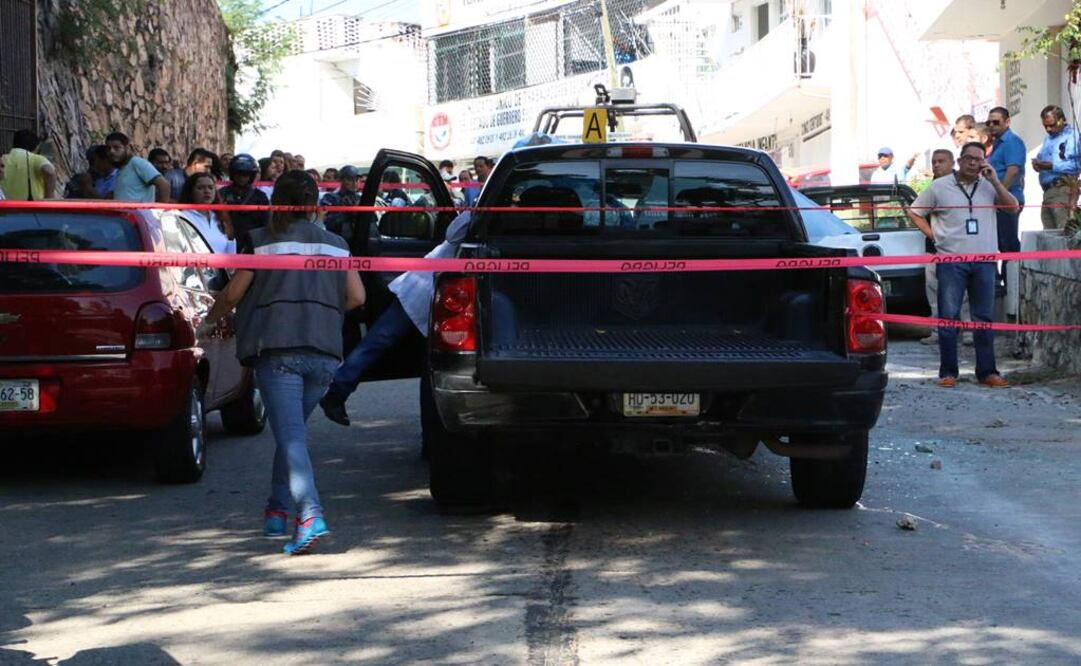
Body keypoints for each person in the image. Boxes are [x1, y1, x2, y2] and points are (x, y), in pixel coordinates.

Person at [198, 170, 366, 555]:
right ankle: (276, 511)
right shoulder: (337, 245)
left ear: (279, 202)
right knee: (293, 437)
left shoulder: (262, 242)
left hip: (279, 351)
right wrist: (321, 312)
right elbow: (357, 297)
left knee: (290, 438)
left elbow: (233, 293)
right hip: (324, 354)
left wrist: (209, 322)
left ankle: (310, 514)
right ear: (314, 205)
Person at [320, 210, 472, 426]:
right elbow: (453, 234)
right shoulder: (480, 211)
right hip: (425, 286)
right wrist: (476, 213)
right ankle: (337, 392)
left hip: (448, 295)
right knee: (381, 340)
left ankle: (430, 439)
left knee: (428, 368)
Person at [906, 142, 1018, 389]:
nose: (972, 163)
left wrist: (996, 182)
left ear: (983, 163)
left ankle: (987, 372)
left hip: (984, 262)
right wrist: (933, 236)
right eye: (968, 158)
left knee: (983, 319)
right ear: (959, 160)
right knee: (948, 318)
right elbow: (914, 212)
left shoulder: (989, 186)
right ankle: (948, 373)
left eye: (978, 159)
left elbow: (1013, 208)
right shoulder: (939, 187)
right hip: (951, 262)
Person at [918, 149, 971, 347]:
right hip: (934, 250)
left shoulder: (963, 185)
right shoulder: (933, 187)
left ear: (952, 163)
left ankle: (968, 330)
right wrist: (933, 236)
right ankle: (937, 331)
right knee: (934, 291)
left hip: (959, 248)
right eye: (934, 162)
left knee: (963, 292)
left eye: (941, 161)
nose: (936, 165)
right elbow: (916, 213)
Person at [986, 106, 1026, 260]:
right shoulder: (998, 143)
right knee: (1002, 244)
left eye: (995, 122)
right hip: (1000, 199)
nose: (991, 126)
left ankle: (1014, 283)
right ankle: (1009, 281)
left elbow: (1013, 171)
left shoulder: (1012, 141)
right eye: (988, 123)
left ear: (1007, 122)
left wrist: (1000, 194)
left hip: (1008, 199)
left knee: (1008, 245)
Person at [1031, 104, 1080, 231]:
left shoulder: (1072, 137)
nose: (1048, 129)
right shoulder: (1048, 139)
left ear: (1062, 120)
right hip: (1047, 192)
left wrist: (1052, 166)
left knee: (1063, 232)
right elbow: (1041, 158)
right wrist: (1037, 164)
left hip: (1063, 188)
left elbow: (1076, 165)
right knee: (1049, 236)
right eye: (1045, 126)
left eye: (1052, 125)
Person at [219, 154, 270, 249]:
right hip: (227, 242)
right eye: (238, 173)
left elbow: (266, 224)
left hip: (253, 244)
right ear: (232, 174)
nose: (241, 178)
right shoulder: (222, 193)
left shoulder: (260, 196)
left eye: (245, 174)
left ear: (251, 176)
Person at [178, 172, 235, 254]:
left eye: (211, 188)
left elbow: (229, 245)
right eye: (200, 188)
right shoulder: (182, 217)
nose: (207, 191)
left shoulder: (220, 217)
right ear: (190, 192)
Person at [105, 132, 170, 203]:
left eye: (116, 147)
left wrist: (160, 210)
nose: (111, 151)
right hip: (124, 213)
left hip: (139, 213)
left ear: (127, 148)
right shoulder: (120, 168)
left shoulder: (137, 163)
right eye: (108, 148)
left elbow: (164, 185)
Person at [1, 129, 57, 200]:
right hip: (30, 208)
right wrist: (49, 197)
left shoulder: (2, 159)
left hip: (5, 208)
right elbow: (50, 172)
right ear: (36, 147)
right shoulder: (35, 158)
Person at [320, 165, 363, 243]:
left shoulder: (360, 199)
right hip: (337, 240)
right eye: (350, 179)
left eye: (356, 179)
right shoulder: (330, 197)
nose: (354, 183)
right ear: (341, 180)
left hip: (358, 240)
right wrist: (347, 212)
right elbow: (326, 220)